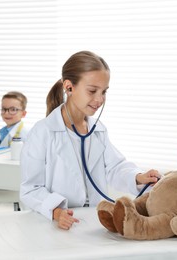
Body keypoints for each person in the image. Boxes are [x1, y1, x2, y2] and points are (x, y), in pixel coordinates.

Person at [20, 51, 160, 230]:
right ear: (69, 87)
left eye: (104, 92)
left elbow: (115, 168)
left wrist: (138, 177)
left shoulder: (98, 130)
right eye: (92, 91)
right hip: (55, 224)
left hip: (93, 221)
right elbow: (30, 189)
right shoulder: (43, 132)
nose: (99, 99)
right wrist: (56, 211)